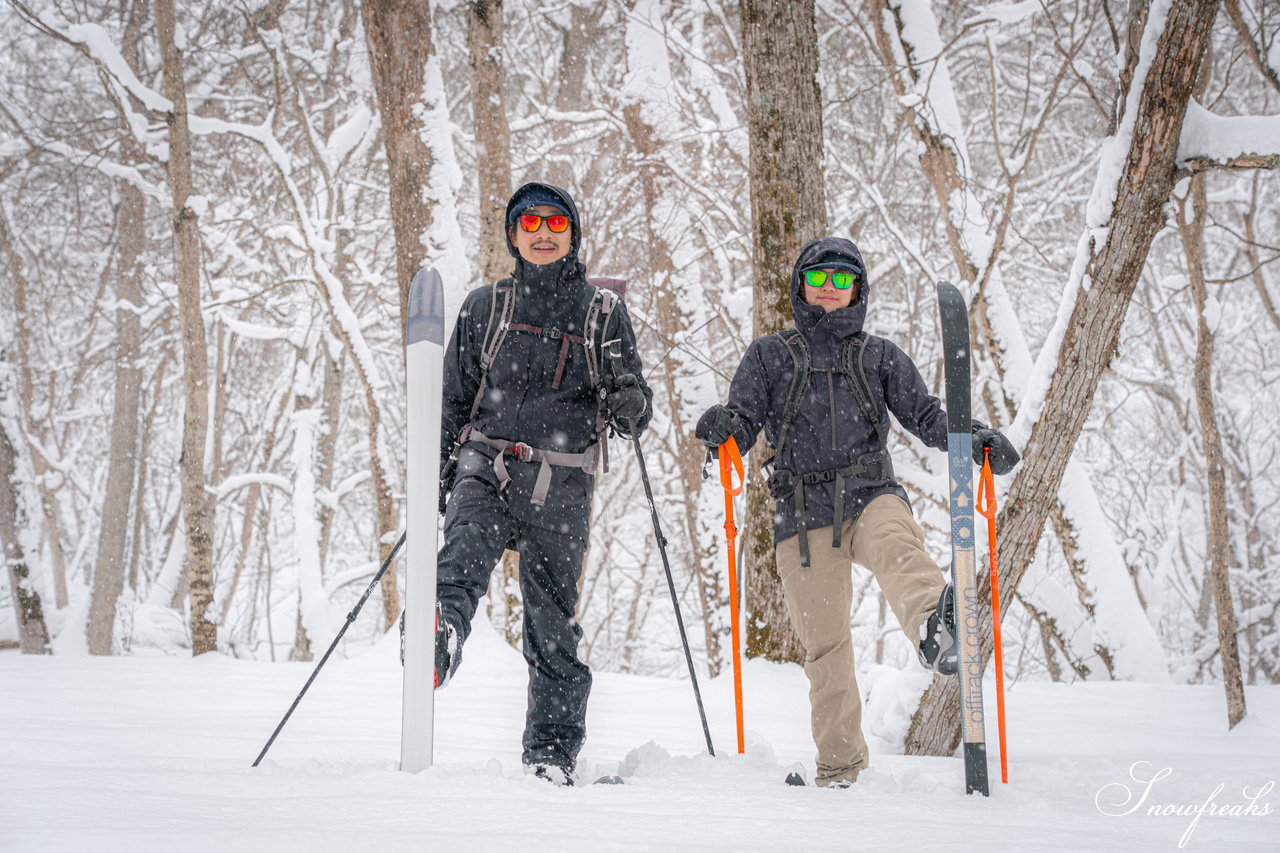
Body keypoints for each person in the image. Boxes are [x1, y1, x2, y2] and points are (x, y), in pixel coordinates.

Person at [695, 236, 1018, 788]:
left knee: (898, 544)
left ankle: (936, 629)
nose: (829, 289)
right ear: (800, 286)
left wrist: (975, 438)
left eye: (842, 280)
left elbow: (926, 417)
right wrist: (724, 430)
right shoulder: (769, 355)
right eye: (819, 278)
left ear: (857, 290)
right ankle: (842, 771)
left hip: (872, 495)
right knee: (826, 648)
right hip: (801, 518)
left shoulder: (880, 356)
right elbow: (743, 423)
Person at [431, 182, 652, 786]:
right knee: (465, 546)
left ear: (572, 233)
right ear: (514, 234)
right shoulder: (485, 307)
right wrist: (437, 471)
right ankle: (439, 630)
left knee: (552, 619)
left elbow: (631, 396)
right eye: (531, 223)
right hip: (487, 462)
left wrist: (631, 400)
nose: (544, 232)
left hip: (563, 481)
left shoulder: (601, 313)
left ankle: (551, 751)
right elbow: (452, 399)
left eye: (556, 223)